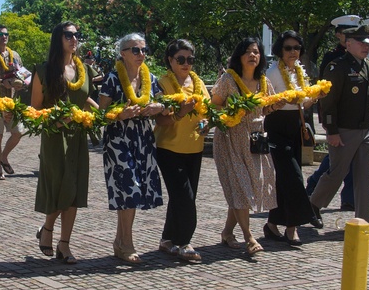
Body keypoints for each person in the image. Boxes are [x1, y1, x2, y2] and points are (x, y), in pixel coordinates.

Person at [31, 22, 97, 264]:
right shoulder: (44, 70)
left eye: (77, 35)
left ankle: (65, 244)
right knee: (59, 188)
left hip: (78, 137)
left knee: (75, 191)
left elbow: (84, 96)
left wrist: (104, 115)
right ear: (58, 38)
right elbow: (34, 109)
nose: (74, 39)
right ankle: (47, 228)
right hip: (55, 137)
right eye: (68, 35)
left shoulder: (83, 71)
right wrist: (56, 119)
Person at [309, 24, 369, 236]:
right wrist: (331, 130)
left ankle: (363, 224)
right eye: (361, 43)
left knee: (365, 176)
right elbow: (328, 103)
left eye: (367, 43)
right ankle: (313, 203)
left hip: (366, 129)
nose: (365, 47)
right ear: (348, 43)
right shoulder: (337, 67)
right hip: (343, 129)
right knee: (337, 173)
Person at [98, 33, 165, 263]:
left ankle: (121, 241)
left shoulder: (150, 78)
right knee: (129, 189)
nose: (141, 54)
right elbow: (100, 115)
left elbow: (164, 104)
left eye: (143, 50)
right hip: (118, 139)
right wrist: (120, 114)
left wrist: (157, 107)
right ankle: (126, 243)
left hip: (143, 139)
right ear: (123, 53)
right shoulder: (112, 79)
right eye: (135, 50)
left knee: (135, 191)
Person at [210, 37, 278, 257]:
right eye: (248, 52)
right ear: (239, 56)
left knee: (245, 188)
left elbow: (266, 108)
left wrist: (274, 106)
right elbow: (215, 106)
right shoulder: (229, 79)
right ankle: (250, 237)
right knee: (241, 186)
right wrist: (230, 116)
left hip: (255, 140)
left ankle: (228, 232)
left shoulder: (264, 81)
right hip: (231, 139)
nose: (253, 56)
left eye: (256, 52)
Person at [264, 31, 321, 246]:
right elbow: (265, 103)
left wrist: (314, 97)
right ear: (280, 49)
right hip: (276, 126)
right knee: (294, 177)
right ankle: (294, 226)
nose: (292, 52)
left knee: (285, 179)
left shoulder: (300, 72)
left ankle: (273, 224)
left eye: (296, 48)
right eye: (288, 48)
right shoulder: (272, 73)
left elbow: (302, 103)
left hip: (295, 126)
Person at [154, 39, 209, 262]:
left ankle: (168, 239)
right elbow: (159, 119)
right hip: (169, 148)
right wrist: (180, 113)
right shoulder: (162, 84)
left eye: (190, 59)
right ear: (170, 60)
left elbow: (208, 111)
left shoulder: (198, 83)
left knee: (184, 196)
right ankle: (185, 242)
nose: (186, 64)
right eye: (181, 59)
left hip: (194, 147)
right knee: (184, 197)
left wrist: (207, 123)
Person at [306, 15, 360, 210]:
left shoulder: (361, 57)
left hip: (357, 118)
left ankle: (349, 198)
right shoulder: (332, 58)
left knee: (351, 156)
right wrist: (330, 123)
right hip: (338, 116)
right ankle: (313, 185)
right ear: (338, 35)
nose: (351, 37)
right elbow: (327, 91)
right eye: (347, 33)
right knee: (337, 158)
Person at [0, 24, 27, 177]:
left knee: (18, 132)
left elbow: (23, 73)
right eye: (0, 34)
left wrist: (21, 83)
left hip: (12, 101)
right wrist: (3, 82)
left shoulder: (14, 54)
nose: (4, 37)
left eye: (6, 34)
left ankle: (3, 157)